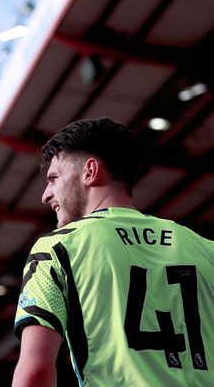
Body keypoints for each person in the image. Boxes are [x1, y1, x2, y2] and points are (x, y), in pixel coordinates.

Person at [12, 117, 214, 387]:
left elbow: (34, 375)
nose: (46, 194)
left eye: (54, 178)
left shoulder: (58, 248)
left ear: (90, 171)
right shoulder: (205, 248)